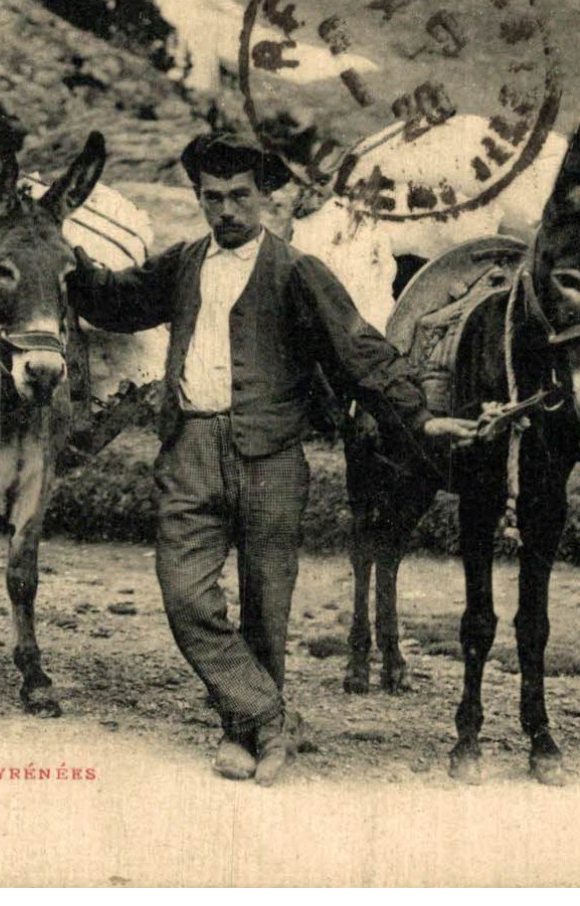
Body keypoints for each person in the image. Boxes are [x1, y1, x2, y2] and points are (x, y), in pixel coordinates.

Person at [66, 133, 477, 785]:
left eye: (238, 196)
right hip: (189, 453)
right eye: (211, 197)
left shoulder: (296, 270)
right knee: (184, 598)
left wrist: (420, 419)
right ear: (198, 197)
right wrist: (70, 267)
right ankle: (269, 717)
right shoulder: (181, 264)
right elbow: (116, 301)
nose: (225, 209)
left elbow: (359, 354)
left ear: (263, 198)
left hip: (271, 460)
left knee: (266, 606)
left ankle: (243, 736)